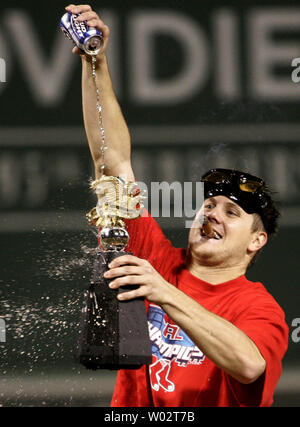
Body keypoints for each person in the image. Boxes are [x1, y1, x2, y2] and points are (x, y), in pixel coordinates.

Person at [65, 4, 289, 407]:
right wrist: (94, 61)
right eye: (210, 204)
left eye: (232, 213)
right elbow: (112, 166)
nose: (212, 213)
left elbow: (249, 365)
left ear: (257, 241)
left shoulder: (257, 307)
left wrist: (165, 294)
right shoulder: (156, 261)